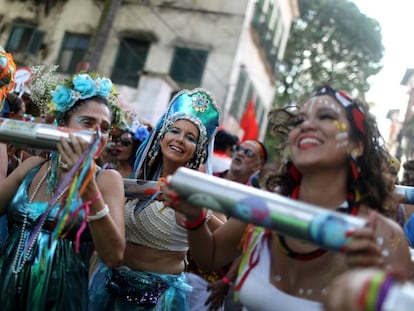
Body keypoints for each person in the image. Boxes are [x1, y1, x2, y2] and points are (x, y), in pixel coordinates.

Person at [163, 85, 413, 310]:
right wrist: (194, 218)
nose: (306, 125)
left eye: (325, 116)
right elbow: (211, 257)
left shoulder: (382, 238)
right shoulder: (265, 207)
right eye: (300, 120)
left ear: (357, 144)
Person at [0, 73, 126, 310]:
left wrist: (87, 186)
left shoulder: (108, 180)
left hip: (60, 297)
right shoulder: (33, 166)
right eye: (87, 123)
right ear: (62, 125)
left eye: (106, 128)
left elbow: (114, 256)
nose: (97, 133)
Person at [89, 88, 222, 310]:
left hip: (159, 300)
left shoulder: (202, 192)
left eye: (190, 138)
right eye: (174, 131)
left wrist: (195, 210)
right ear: (161, 136)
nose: (180, 140)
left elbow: (222, 240)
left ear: (197, 150)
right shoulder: (135, 180)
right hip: (110, 288)